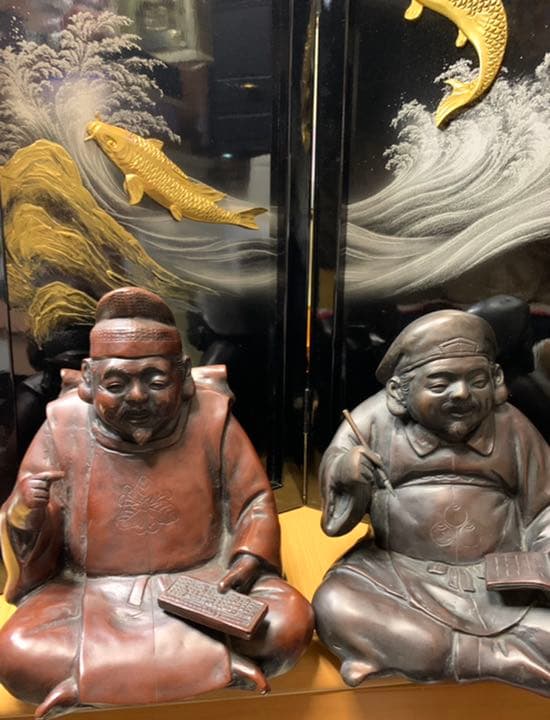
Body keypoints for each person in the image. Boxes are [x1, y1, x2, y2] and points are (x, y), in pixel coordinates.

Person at [0, 287, 313, 718]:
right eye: (116, 383)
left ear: (183, 376)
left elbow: (254, 502)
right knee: (18, 652)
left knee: (289, 623)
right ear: (88, 379)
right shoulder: (62, 425)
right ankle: (215, 664)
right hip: (91, 596)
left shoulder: (211, 418)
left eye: (156, 380)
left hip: (204, 586)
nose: (136, 396)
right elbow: (31, 527)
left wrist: (247, 558)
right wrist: (26, 511)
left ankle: (93, 680)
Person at [313, 309, 550, 697]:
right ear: (398, 392)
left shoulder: (512, 426)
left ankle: (432, 653)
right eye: (440, 384)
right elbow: (337, 472)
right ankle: (499, 659)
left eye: (477, 381)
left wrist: (543, 556)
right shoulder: (373, 420)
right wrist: (347, 472)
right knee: (334, 604)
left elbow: (544, 507)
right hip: (397, 573)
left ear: (496, 381)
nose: (461, 394)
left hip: (500, 583)